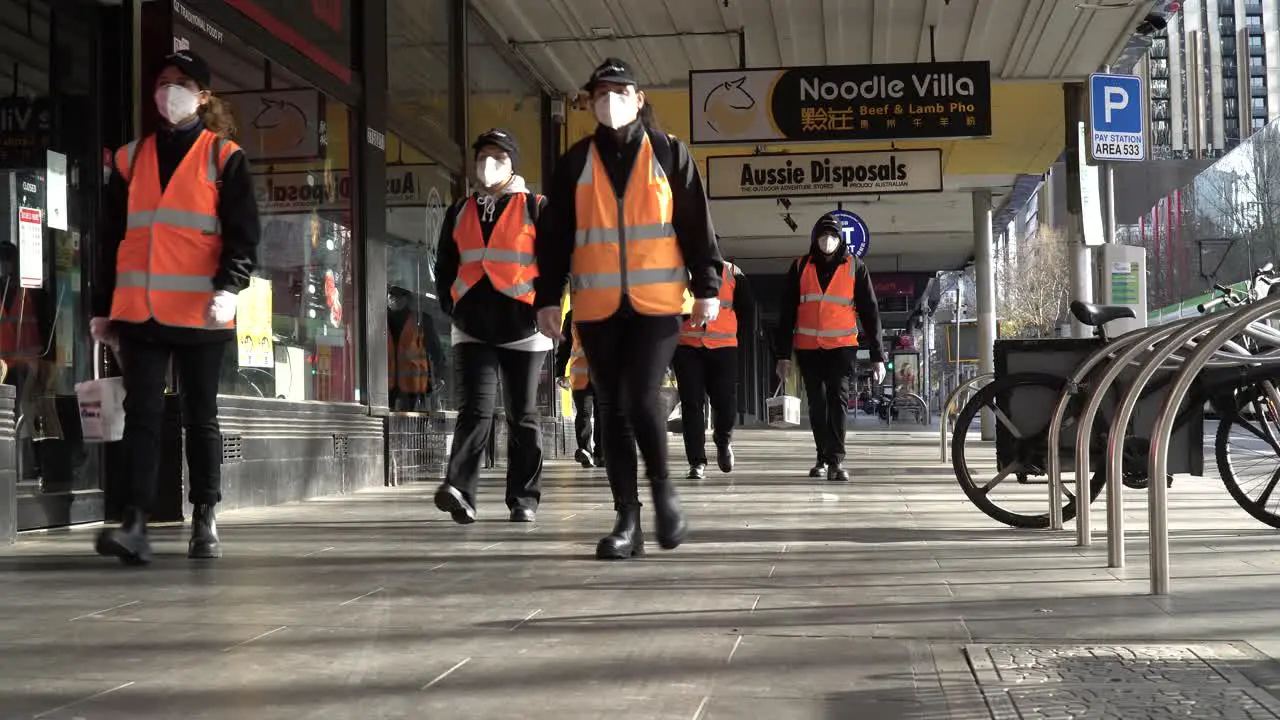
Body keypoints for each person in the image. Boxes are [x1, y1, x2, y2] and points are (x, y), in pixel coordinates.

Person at [534, 57, 723, 560]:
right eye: (600, 93)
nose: (609, 101)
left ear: (639, 99)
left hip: (658, 306)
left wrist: (708, 287)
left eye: (620, 91)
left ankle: (664, 496)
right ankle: (627, 521)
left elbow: (696, 226)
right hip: (596, 308)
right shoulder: (575, 163)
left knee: (640, 398)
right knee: (613, 410)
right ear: (591, 102)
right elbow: (552, 240)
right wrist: (547, 298)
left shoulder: (669, 154)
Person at [90, 50, 259, 564]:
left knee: (200, 417)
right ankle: (135, 521)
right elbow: (110, 237)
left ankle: (204, 516)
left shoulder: (224, 157)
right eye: (163, 82)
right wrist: (103, 308)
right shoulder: (130, 158)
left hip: (202, 310)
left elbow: (244, 235)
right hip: (140, 311)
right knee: (141, 416)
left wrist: (230, 287)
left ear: (203, 95)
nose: (170, 91)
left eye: (182, 82)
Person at [432, 129, 548, 525]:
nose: (488, 163)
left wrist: (547, 310)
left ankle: (524, 498)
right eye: (482, 155)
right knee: (474, 411)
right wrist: (451, 304)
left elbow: (553, 265)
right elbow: (445, 262)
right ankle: (459, 491)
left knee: (523, 415)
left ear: (513, 162)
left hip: (524, 326)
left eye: (498, 155)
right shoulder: (460, 209)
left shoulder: (535, 206)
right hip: (472, 326)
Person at [774, 213, 885, 482]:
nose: (828, 241)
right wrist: (782, 355)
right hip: (808, 348)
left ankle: (835, 461)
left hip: (842, 347)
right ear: (815, 239)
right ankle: (821, 457)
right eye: (823, 235)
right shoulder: (800, 266)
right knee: (817, 404)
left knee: (838, 401)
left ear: (840, 239)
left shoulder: (855, 267)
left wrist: (877, 356)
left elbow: (870, 312)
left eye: (833, 236)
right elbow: (787, 312)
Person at [673, 257, 754, 479]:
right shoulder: (677, 270)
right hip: (686, 347)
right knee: (691, 405)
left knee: (725, 401)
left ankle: (723, 441)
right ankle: (696, 461)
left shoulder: (734, 273)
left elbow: (747, 311)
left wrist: (739, 343)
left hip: (723, 347)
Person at [554, 309, 603, 468]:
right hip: (580, 374)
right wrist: (559, 372)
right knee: (584, 413)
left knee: (601, 413)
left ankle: (601, 454)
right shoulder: (573, 315)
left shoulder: (611, 310)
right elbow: (565, 344)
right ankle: (585, 451)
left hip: (604, 375)